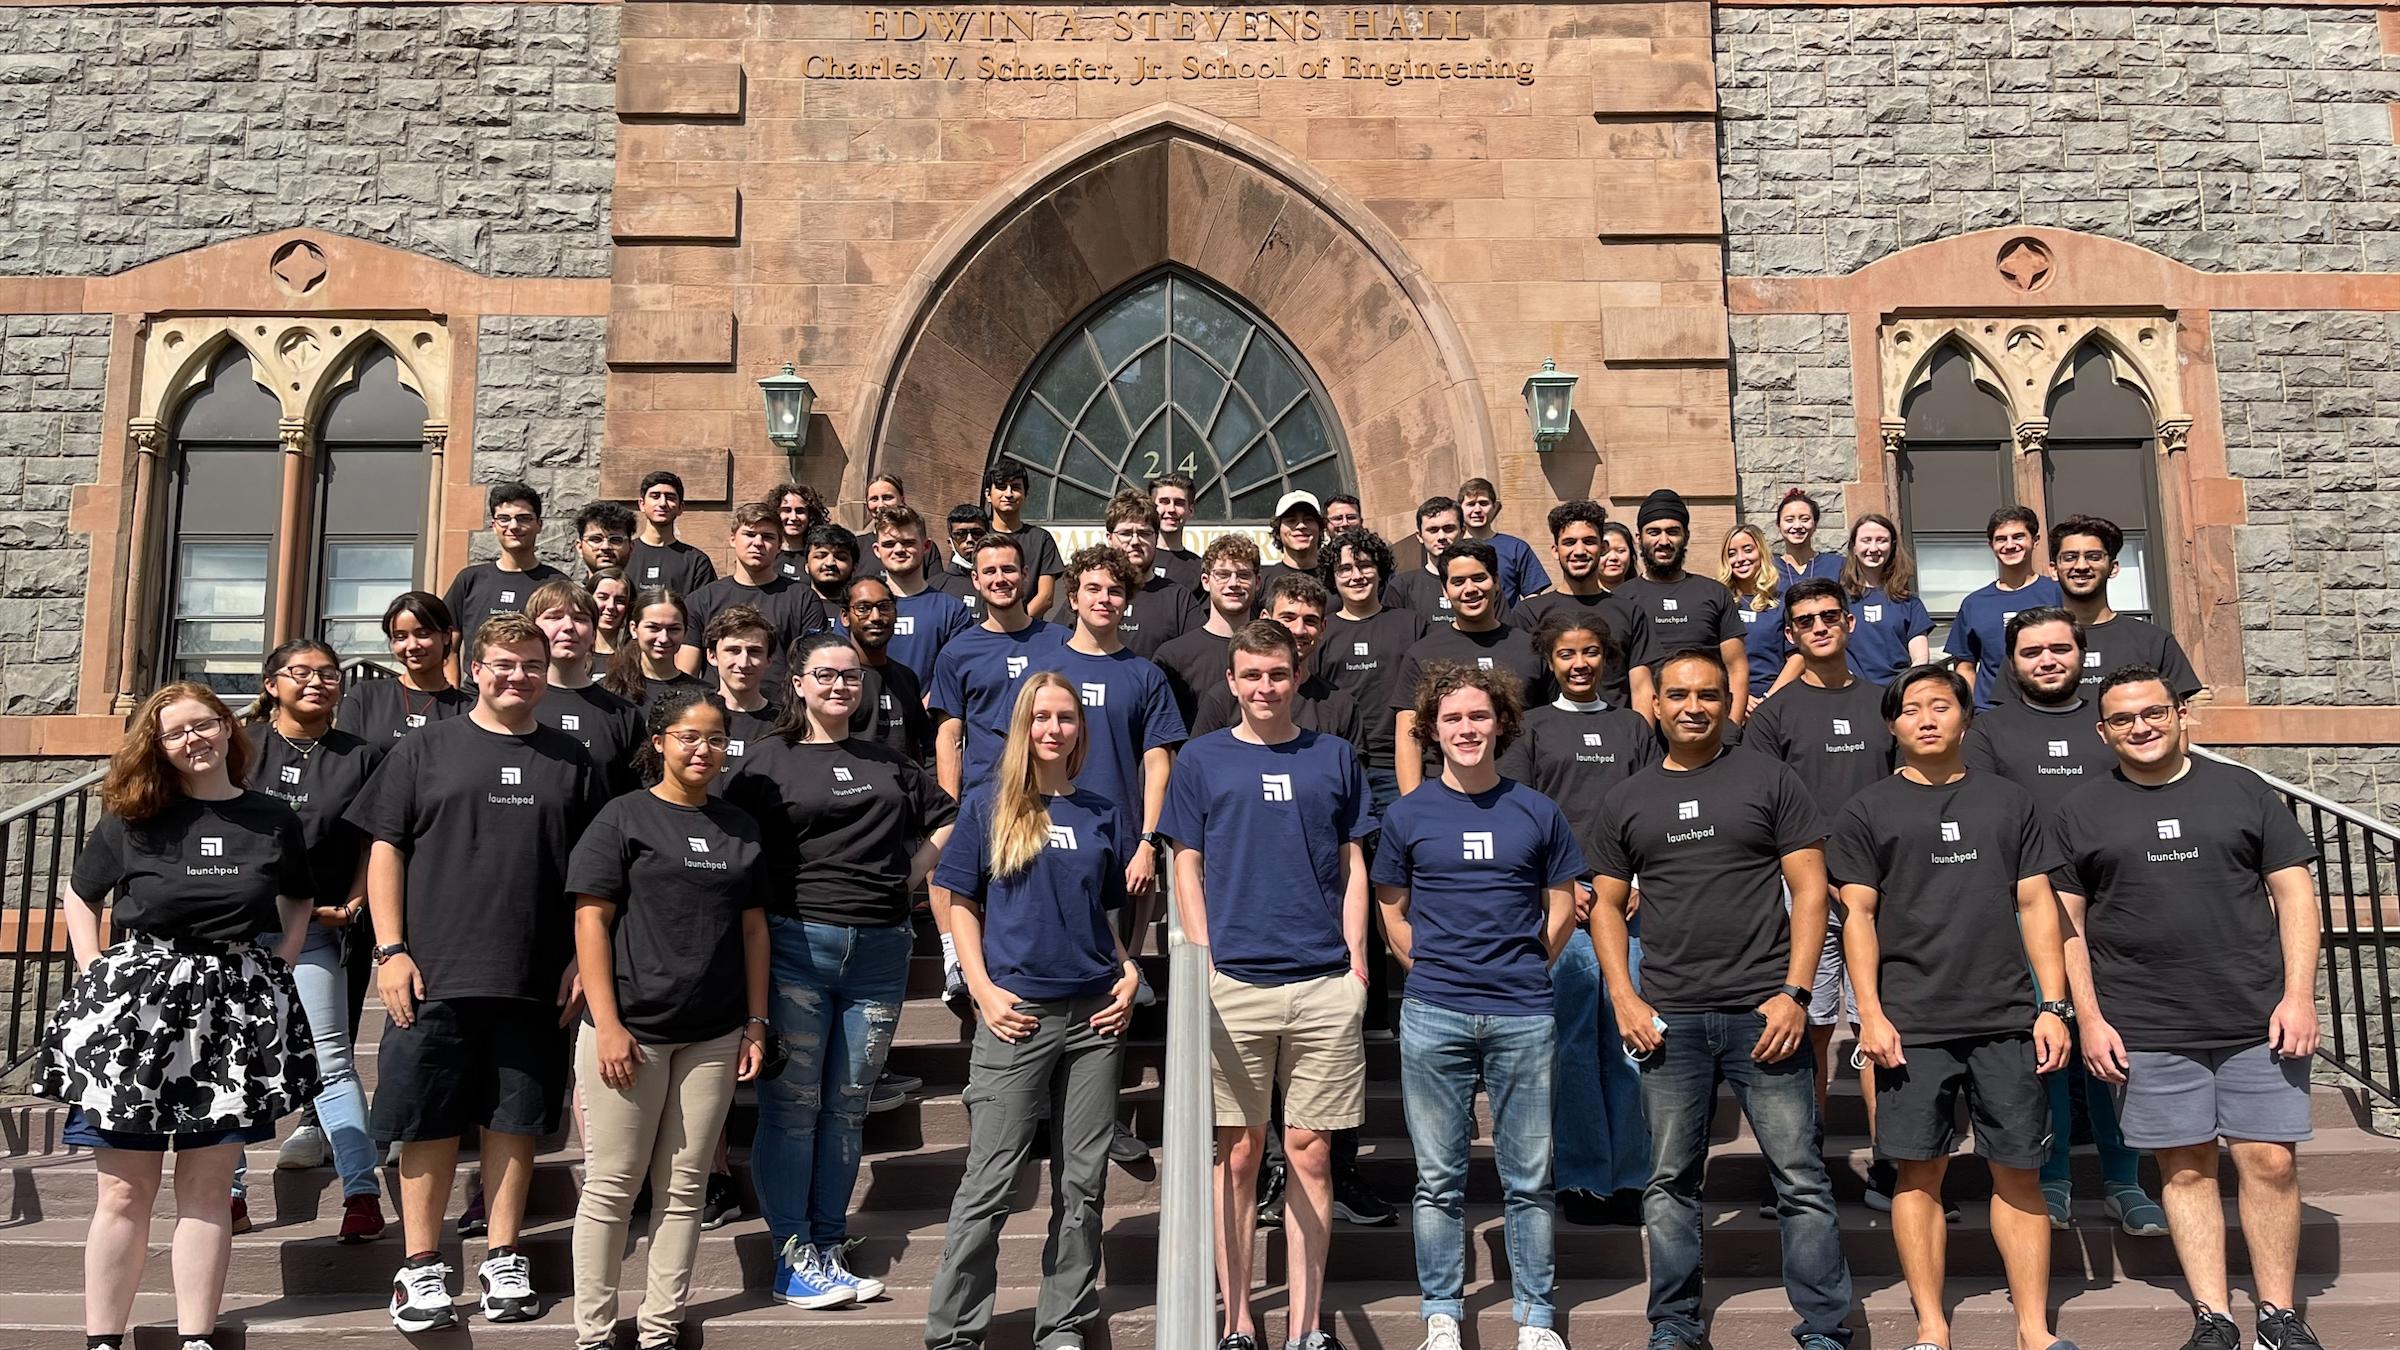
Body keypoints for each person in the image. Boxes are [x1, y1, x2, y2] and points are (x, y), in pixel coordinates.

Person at [346, 614, 608, 1331]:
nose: (516, 676)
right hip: (433, 971)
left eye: (530, 664)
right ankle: (421, 1268)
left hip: (536, 976)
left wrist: (583, 963)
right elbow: (385, 851)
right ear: (474, 668)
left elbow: (595, 875)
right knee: (425, 1120)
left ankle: (502, 1257)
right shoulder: (425, 748)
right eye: (502, 664)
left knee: (515, 1121)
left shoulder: (574, 760)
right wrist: (390, 950)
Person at [37, 683, 318, 1350]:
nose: (194, 739)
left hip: (229, 1014)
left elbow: (300, 898)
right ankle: (102, 1339)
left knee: (207, 1186)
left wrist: (276, 961)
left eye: (205, 724)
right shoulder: (134, 819)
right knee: (124, 1193)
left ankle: (196, 1336)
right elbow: (81, 895)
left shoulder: (273, 819)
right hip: (138, 1014)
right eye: (175, 732)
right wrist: (94, 967)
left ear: (228, 729)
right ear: (156, 747)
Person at [1590, 648, 1853, 1350]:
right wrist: (1623, 994)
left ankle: (1824, 1326)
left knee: (1798, 1178)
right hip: (1668, 1018)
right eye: (1678, 695)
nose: (1693, 707)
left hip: (1763, 1013)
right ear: (1656, 704)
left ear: (1724, 700)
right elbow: (1607, 908)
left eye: (1708, 694)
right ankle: (1674, 1323)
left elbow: (1809, 892)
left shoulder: (1770, 779)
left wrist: (1797, 993)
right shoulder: (1626, 798)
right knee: (1669, 1180)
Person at [2055, 667, 2325, 1350]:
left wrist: (2299, 996)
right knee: (2183, 1167)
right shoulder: (2081, 810)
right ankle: (2214, 1315)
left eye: (2153, 713)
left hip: (2254, 1014)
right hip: (2146, 1021)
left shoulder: (2243, 789)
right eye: (2123, 719)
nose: (2140, 727)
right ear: (2103, 731)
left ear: (2181, 716)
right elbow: (2067, 926)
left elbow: (2295, 895)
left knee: (2270, 1162)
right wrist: (2088, 1018)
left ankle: (2278, 1314)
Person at [1831, 663, 2080, 1350]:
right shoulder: (1866, 811)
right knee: (1918, 1174)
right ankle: (1931, 1328)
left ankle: (2034, 1330)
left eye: (1942, 705)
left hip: (2005, 1017)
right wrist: (1870, 1014)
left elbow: (2037, 904)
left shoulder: (2010, 801)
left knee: (2020, 1171)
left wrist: (2052, 1004)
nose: (1927, 718)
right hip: (1912, 1023)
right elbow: (1857, 917)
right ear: (1892, 725)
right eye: (1912, 709)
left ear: (1966, 718)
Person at [1161, 619, 1377, 1350]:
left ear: (1297, 675)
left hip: (1322, 980)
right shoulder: (1202, 759)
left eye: (1277, 675)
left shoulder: (1334, 757)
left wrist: (1356, 961)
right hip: (1234, 981)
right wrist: (1204, 955)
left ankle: (1307, 1326)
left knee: (1310, 1149)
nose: (1264, 688)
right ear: (1231, 680)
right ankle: (1240, 1321)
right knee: (1239, 1152)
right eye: (1250, 675)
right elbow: (1184, 861)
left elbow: (1352, 861)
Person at [726, 632, 957, 1309]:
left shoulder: (888, 761)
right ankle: (792, 1256)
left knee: (847, 1110)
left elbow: (947, 817)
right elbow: (738, 850)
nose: (839, 687)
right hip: (798, 943)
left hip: (880, 951)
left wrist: (910, 878)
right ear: (796, 683)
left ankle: (827, 1245)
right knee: (794, 1109)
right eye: (825, 675)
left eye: (851, 677)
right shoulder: (767, 762)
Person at [923, 674, 1143, 1350]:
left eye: (1066, 718)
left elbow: (1099, 911)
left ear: (1081, 729)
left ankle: (1065, 1323)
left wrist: (1127, 967)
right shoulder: (990, 803)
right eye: (1042, 717)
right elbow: (956, 898)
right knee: (989, 1183)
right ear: (1023, 727)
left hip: (1095, 1015)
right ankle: (955, 1333)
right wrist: (982, 989)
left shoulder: (1102, 810)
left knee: (1084, 1183)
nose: (1054, 729)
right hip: (1017, 1013)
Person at [1375, 662, 1580, 1350]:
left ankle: (1536, 1317)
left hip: (1523, 1011)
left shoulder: (1537, 811)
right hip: (1435, 1012)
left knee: (1529, 1178)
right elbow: (1392, 912)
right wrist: (1427, 969)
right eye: (1453, 718)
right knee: (1438, 1178)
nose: (1466, 728)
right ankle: (1441, 1311)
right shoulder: (1407, 814)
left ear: (1502, 725)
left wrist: (1528, 964)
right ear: (1433, 729)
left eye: (1479, 716)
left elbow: (1561, 907)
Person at [566, 689, 770, 1350]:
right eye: (688, 736)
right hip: (631, 1034)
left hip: (712, 1035)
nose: (703, 750)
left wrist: (756, 1021)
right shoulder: (622, 819)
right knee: (612, 1189)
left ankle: (660, 1329)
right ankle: (594, 1334)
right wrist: (609, 1024)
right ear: (660, 741)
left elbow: (753, 931)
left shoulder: (740, 825)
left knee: (683, 1192)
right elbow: (590, 922)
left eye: (715, 738)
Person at [1963, 607, 2167, 1236]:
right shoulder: (1989, 732)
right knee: (2045, 1054)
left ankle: (2124, 1180)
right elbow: (1982, 818)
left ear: (2081, 653)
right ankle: (2050, 1180)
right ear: (2012, 661)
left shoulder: (2111, 723)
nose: (2047, 660)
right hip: (2027, 917)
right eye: (2031, 652)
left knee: (2116, 1051)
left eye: (2059, 648)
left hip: (2118, 910)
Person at [1497, 616, 1655, 1227]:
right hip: (1564, 904)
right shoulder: (1533, 727)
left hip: (1629, 902)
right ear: (1550, 660)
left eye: (1591, 651)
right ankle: (1584, 1176)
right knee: (1571, 1042)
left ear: (1607, 658)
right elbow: (1522, 814)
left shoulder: (1632, 726)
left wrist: (1634, 879)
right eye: (1567, 654)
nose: (1581, 663)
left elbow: (1651, 804)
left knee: (1631, 1037)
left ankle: (1634, 1176)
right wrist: (1556, 887)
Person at [1742, 577, 1898, 1151]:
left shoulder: (1885, 704)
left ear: (1850, 622)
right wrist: (1814, 878)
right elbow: (1758, 810)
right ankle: (1802, 1165)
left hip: (1879, 890)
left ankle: (1892, 1162)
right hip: (1801, 894)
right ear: (1790, 635)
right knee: (1807, 1025)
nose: (1820, 627)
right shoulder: (1774, 715)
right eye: (1805, 621)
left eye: (1830, 615)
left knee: (1877, 1023)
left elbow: (1905, 792)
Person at [243, 640, 390, 1242]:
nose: (316, 683)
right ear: (272, 683)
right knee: (239, 1063)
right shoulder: (240, 746)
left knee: (332, 1061)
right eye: (300, 673)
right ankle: (228, 1196)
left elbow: (374, 841)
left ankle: (361, 1193)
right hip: (239, 931)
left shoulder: (361, 756)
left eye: (328, 674)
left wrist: (356, 901)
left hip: (315, 931)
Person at [1033, 546, 1188, 1046]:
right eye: (1093, 588)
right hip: (1043, 833)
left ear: (1128, 601)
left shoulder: (1145, 675)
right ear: (1072, 597)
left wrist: (1148, 839)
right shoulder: (1044, 668)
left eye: (1115, 590)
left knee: (1111, 978)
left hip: (1119, 839)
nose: (1104, 599)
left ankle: (1099, 1113)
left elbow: (1158, 761)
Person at [928, 533, 1071, 1005]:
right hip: (983, 792)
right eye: (989, 571)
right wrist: (950, 803)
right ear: (974, 580)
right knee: (964, 885)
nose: (1000, 579)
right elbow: (949, 733)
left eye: (1009, 569)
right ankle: (957, 963)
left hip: (1048, 794)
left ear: (1026, 576)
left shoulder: (1061, 643)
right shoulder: (958, 651)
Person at [1390, 542, 1544, 795]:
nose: (1469, 589)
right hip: (1445, 794)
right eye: (1458, 581)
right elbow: (1409, 737)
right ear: (1445, 589)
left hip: (1520, 791)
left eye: (1479, 578)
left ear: (1496, 581)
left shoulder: (1530, 648)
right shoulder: (1423, 653)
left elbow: (1549, 726)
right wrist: (1413, 805)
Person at [1317, 527, 1425, 814]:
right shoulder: (1321, 632)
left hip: (1399, 765)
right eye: (1345, 569)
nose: (1356, 576)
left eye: (1365, 565)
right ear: (1332, 577)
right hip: (1340, 764)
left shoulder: (1412, 624)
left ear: (1380, 570)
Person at [1508, 499, 1652, 714]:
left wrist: (1640, 739)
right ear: (1555, 550)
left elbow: (1641, 688)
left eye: (1589, 541)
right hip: (1550, 738)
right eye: (1569, 543)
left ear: (1602, 548)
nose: (1579, 550)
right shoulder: (1529, 613)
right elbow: (1520, 689)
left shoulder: (1629, 612)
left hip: (1617, 735)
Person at [1619, 489, 1751, 722]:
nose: (1664, 541)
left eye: (1673, 532)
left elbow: (1736, 667)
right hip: (1645, 729)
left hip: (1707, 723)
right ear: (1639, 538)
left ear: (1686, 536)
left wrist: (1732, 727)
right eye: (1654, 532)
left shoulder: (1714, 593)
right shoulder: (1621, 598)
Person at [678, 502, 832, 695]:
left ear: (779, 545)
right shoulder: (701, 600)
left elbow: (814, 664)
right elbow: (686, 674)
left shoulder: (802, 598)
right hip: (717, 714)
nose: (758, 543)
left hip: (782, 715)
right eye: (750, 534)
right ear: (733, 539)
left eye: (767, 537)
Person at [2051, 513, 2203, 699]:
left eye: (2093, 556)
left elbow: (2175, 718)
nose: (2081, 565)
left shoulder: (2154, 642)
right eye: (2069, 557)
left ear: (2113, 567)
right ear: (2053, 569)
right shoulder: (2031, 644)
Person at [1194, 573, 1360, 742]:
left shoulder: (1341, 706)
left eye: (1310, 621)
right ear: (1265, 618)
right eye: (1288, 618)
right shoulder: (1223, 699)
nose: (1298, 630)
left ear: (1323, 627)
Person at [530, 579, 646, 797]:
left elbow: (637, 796)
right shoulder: (516, 704)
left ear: (593, 633)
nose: (568, 627)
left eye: (580, 619)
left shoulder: (622, 714)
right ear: (532, 628)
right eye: (554, 617)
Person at [1946, 506, 2066, 710]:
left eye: (2018, 537)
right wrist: (1968, 712)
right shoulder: (1974, 603)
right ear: (1991, 545)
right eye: (2001, 539)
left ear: (2035, 541)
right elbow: (1965, 665)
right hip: (1991, 712)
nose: (2010, 545)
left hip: (2051, 707)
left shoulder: (2058, 593)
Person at [441, 481, 569, 657]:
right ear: (494, 526)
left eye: (524, 518)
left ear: (539, 525)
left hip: (538, 683)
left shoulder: (557, 583)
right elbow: (448, 650)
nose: (514, 526)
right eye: (504, 519)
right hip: (476, 685)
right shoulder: (470, 580)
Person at [1072, 490, 1202, 660]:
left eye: (1144, 534)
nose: (1135, 542)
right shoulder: (1089, 594)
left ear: (1156, 538)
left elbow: (1197, 656)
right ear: (1109, 538)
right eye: (1126, 533)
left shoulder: (1178, 598)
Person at [1154, 533, 1263, 727]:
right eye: (1223, 575)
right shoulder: (1174, 656)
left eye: (1244, 575)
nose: (1233, 583)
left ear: (1258, 582)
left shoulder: (1272, 653)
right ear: (1205, 581)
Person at [340, 591, 474, 744]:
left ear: (446, 635)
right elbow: (344, 763)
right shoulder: (364, 698)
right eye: (400, 637)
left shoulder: (469, 710)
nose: (412, 646)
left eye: (423, 634)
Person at [867, 504, 976, 684]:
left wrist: (925, 706)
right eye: (889, 544)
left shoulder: (952, 611)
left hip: (929, 711)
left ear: (926, 546)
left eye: (908, 543)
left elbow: (957, 673)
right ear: (877, 550)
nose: (899, 550)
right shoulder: (859, 607)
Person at [844, 574, 935, 764]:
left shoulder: (906, 678)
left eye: (884, 607)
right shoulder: (836, 679)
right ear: (845, 617)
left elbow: (922, 747)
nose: (875, 617)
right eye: (863, 608)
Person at [1836, 513, 1933, 685]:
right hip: (1850, 693)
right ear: (1854, 546)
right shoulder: (1838, 599)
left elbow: (1920, 658)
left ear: (1892, 546)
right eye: (1866, 540)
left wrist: (1903, 687)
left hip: (1896, 694)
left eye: (1881, 540)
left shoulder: (1909, 602)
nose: (1873, 548)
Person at [983, 460, 1067, 619]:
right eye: (1001, 487)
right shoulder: (978, 535)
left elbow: (1046, 597)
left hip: (1028, 632)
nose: (1008, 494)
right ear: (988, 494)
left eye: (1015, 488)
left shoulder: (1041, 539)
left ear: (1025, 495)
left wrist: (1016, 623)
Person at [607, 588, 710, 714]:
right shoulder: (611, 690)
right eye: (653, 628)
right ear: (634, 629)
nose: (663, 638)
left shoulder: (703, 695)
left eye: (673, 629)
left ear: (685, 632)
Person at [1720, 523, 1791, 701]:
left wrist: (1769, 697)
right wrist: (1739, 696)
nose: (1740, 558)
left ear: (1761, 552)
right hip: (1730, 699)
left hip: (1774, 699)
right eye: (1732, 553)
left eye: (1747, 549)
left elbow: (1797, 657)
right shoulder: (1719, 602)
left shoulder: (1783, 601)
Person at [1457, 476, 1552, 609]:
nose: (1477, 510)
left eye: (1484, 503)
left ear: (1495, 507)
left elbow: (1533, 597)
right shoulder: (1451, 549)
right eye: (1471, 504)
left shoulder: (1516, 548)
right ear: (1460, 509)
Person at [629, 470, 719, 596]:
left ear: (681, 508)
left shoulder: (696, 561)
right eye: (655, 496)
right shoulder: (624, 553)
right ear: (642, 504)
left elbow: (705, 610)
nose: (662, 503)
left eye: (670, 497)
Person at [1384, 496, 1465, 628]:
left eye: (1448, 529)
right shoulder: (1402, 586)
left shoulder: (1480, 583)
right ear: (1419, 536)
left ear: (1462, 532)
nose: (1441, 537)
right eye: (1433, 530)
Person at [1772, 489, 1845, 586]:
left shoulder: (1836, 565)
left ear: (1815, 524)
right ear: (1779, 525)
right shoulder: (1769, 568)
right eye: (1789, 520)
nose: (1797, 526)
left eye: (1805, 519)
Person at [1261, 490, 1328, 594]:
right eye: (1291, 520)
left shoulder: (1338, 578)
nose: (1301, 526)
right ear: (1278, 531)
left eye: (1308, 519)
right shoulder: (1262, 581)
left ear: (1320, 529)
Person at [932, 504, 992, 618]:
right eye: (960, 534)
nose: (970, 539)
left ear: (988, 536)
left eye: (977, 533)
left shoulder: (1000, 582)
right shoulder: (934, 587)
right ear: (950, 543)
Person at [1150, 472, 1205, 593]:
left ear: (1190, 510)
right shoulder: (1136, 559)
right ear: (1152, 508)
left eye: (1179, 503)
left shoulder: (1199, 569)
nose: (1171, 509)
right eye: (1164, 502)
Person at [771, 481, 829, 583]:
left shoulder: (820, 555)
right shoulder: (766, 553)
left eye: (800, 511)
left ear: (810, 515)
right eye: (787, 510)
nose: (793, 517)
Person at [852, 472, 907, 577]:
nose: (881, 505)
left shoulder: (920, 545)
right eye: (874, 499)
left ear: (902, 500)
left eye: (887, 497)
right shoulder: (856, 546)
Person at [802, 522, 860, 608]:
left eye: (840, 557)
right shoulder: (793, 606)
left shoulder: (861, 608)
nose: (829, 563)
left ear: (854, 567)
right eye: (820, 556)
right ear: (806, 565)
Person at [575, 502, 637, 581]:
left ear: (631, 547)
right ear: (580, 547)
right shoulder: (568, 593)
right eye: (596, 539)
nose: (605, 546)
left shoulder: (644, 593)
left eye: (615, 540)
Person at [591, 568, 633, 658]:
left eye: (620, 601)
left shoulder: (638, 657)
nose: (611, 606)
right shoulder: (574, 652)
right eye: (603, 597)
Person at [1595, 521, 1640, 593]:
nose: (1613, 558)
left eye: (1620, 551)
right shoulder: (1579, 597)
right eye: (1604, 551)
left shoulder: (1643, 595)